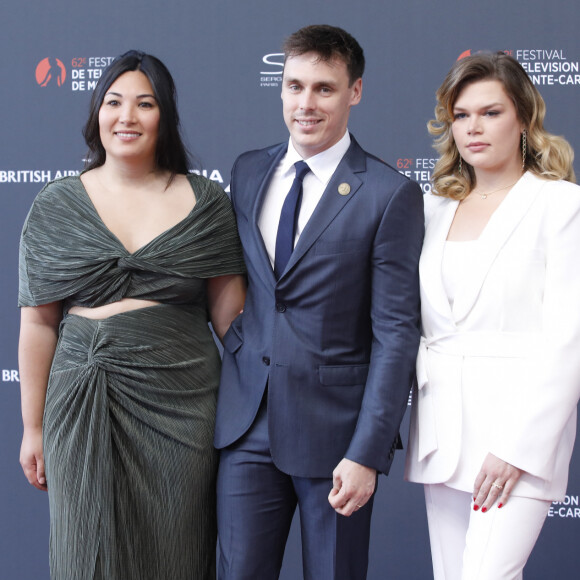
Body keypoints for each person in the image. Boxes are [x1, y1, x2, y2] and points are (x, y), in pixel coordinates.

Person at [18, 50, 246, 580]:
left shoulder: (207, 201)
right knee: (83, 552)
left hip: (182, 406)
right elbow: (38, 323)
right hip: (79, 401)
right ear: (97, 112)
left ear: (163, 115)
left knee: (177, 549)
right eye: (114, 102)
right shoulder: (55, 203)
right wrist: (33, 428)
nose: (127, 117)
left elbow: (232, 322)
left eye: (144, 104)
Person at [214, 24, 424, 580]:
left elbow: (397, 332)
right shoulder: (248, 170)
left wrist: (367, 452)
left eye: (324, 89)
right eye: (294, 86)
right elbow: (247, 286)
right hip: (245, 427)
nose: (305, 104)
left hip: (336, 440)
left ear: (354, 91)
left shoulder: (388, 193)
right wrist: (239, 341)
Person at [405, 51, 580, 580]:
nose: (473, 128)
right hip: (442, 435)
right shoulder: (431, 208)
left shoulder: (561, 205)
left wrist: (517, 449)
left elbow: (568, 341)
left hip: (516, 438)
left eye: (491, 112)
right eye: (461, 115)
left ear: (523, 119)